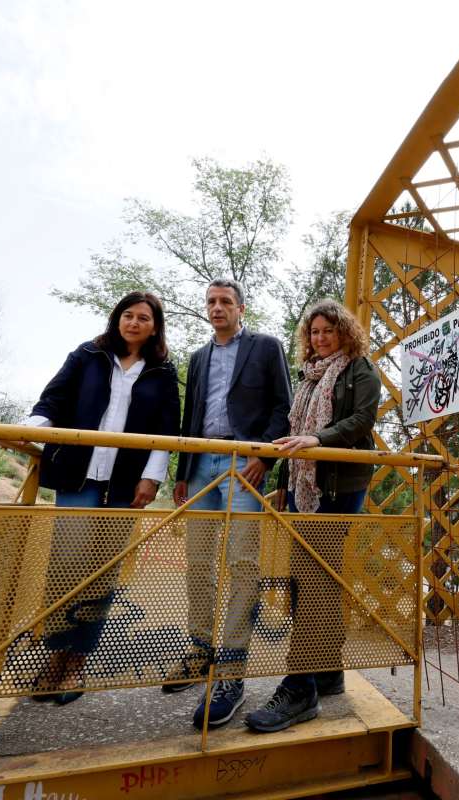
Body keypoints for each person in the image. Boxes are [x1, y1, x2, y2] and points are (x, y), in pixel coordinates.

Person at [25, 291, 180, 705]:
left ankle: (78, 661)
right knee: (66, 566)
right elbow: (52, 399)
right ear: (117, 319)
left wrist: (152, 478)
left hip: (126, 483)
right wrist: (35, 432)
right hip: (79, 477)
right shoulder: (88, 355)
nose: (133, 322)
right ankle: (55, 654)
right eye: (127, 315)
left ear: (154, 326)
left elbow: (167, 432)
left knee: (103, 570)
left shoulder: (162, 372)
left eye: (143, 318)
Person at [244, 298, 380, 733]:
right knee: (319, 578)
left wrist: (318, 438)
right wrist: (286, 481)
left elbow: (362, 420)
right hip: (305, 487)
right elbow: (292, 438)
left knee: (313, 580)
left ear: (345, 332)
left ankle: (300, 688)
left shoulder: (359, 368)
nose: (320, 338)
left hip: (339, 486)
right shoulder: (309, 377)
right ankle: (327, 670)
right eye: (314, 332)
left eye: (328, 330)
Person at [167, 277, 292, 729]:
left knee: (242, 563)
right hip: (200, 462)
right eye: (211, 302)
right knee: (198, 561)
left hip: (244, 463)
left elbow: (284, 406)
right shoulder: (199, 357)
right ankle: (200, 650)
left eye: (225, 302)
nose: (217, 308)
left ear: (241, 307)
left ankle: (232, 674)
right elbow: (190, 415)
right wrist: (181, 473)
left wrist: (263, 455)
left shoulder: (265, 347)